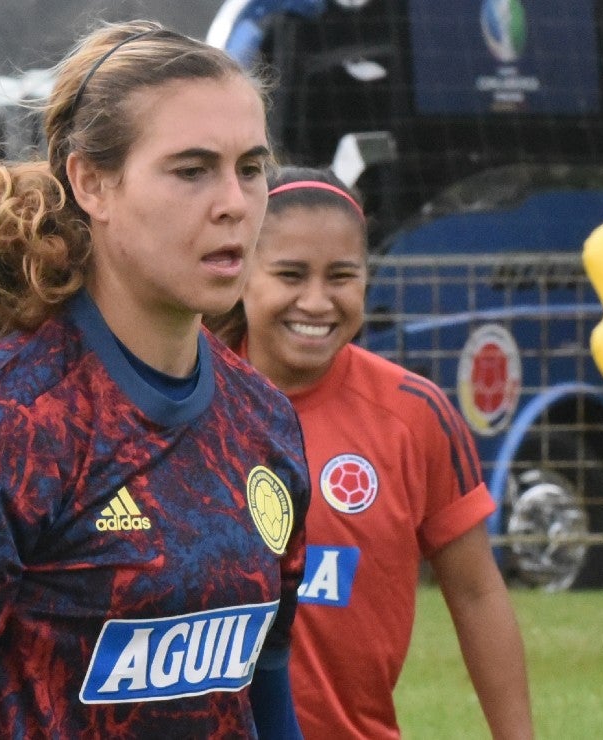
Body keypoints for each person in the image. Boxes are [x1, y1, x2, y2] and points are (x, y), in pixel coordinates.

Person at [0, 20, 310, 739]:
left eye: (251, 168)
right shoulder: (3, 428)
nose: (235, 203)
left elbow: (267, 707)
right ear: (91, 181)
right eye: (192, 170)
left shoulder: (266, 422)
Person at [206, 167, 534, 739]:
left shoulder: (414, 414)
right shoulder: (189, 400)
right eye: (289, 274)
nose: (316, 301)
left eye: (341, 276)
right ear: (244, 276)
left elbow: (478, 593)